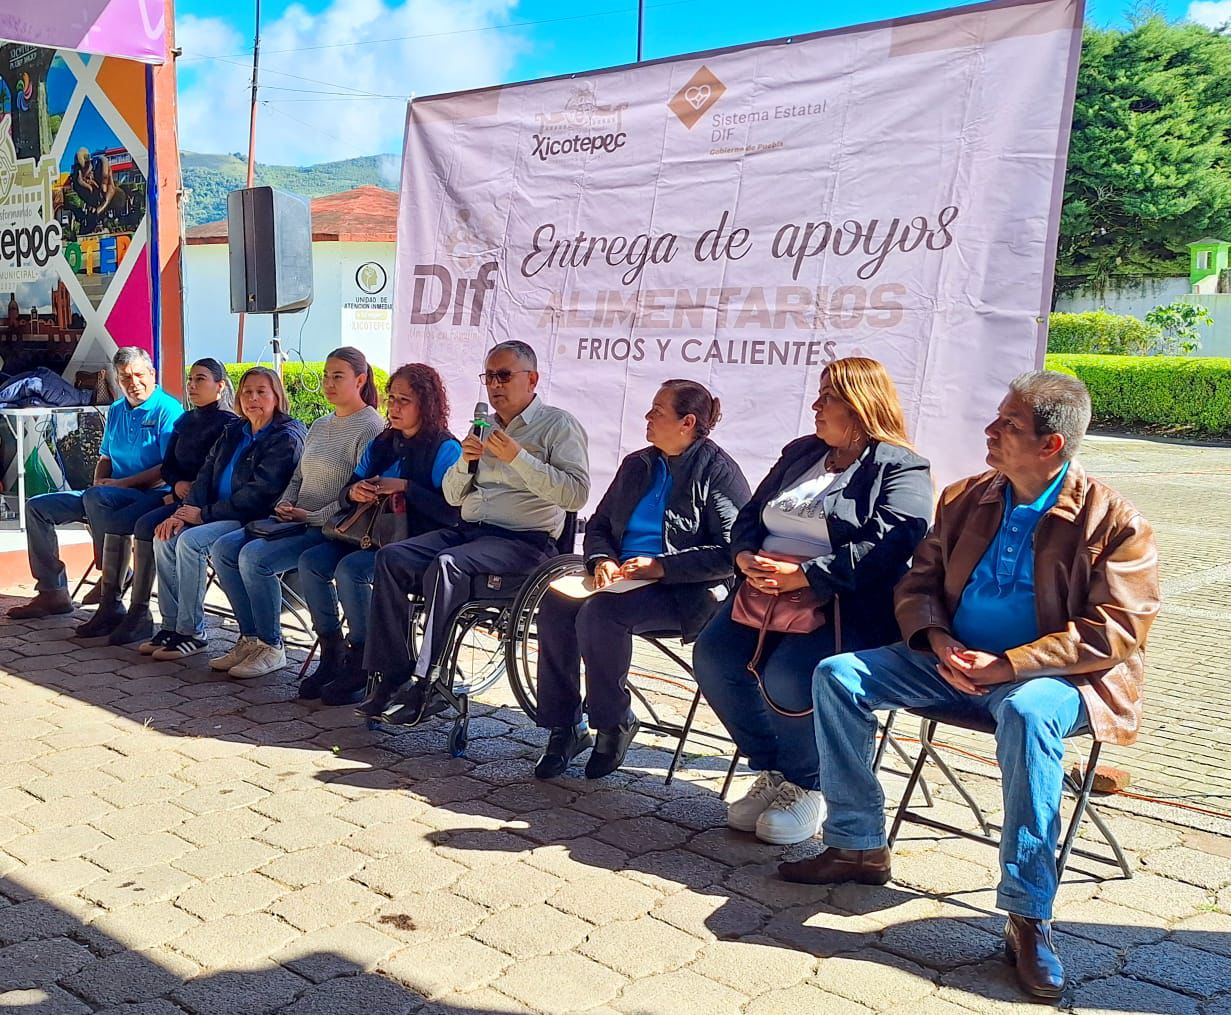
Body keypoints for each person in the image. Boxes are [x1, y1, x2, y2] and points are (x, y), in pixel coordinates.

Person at [779, 371, 1160, 1000]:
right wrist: (935, 638)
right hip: (950, 661)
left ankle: (1028, 915)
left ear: (1050, 445)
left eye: (1009, 424)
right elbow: (918, 584)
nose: (990, 430)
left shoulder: (1115, 522)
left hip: (1053, 678)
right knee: (838, 675)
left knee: (1029, 716)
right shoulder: (965, 498)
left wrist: (1009, 664)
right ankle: (857, 845)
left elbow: (1117, 630)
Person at [693, 357, 933, 846]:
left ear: (859, 405)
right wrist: (744, 556)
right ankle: (776, 769)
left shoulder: (901, 466)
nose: (815, 406)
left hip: (844, 606)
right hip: (763, 597)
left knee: (788, 675)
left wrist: (805, 576)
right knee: (714, 657)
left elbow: (890, 545)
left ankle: (810, 783)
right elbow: (751, 514)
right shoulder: (802, 452)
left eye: (828, 398)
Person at [359, 340, 590, 720]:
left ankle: (429, 681)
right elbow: (453, 496)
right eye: (489, 376)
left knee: (448, 564)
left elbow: (576, 494)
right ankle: (391, 675)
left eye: (504, 376)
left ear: (532, 379)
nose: (495, 385)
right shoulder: (484, 426)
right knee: (392, 557)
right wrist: (466, 463)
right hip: (470, 531)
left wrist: (518, 458)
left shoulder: (557, 426)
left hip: (523, 541)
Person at [534, 380, 750, 780]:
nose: (647, 417)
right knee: (555, 605)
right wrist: (601, 559)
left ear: (687, 422)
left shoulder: (717, 471)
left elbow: (731, 553)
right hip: (622, 578)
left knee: (601, 613)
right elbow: (599, 525)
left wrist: (662, 567)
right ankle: (565, 728)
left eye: (657, 411)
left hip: (684, 591)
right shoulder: (638, 464)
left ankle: (613, 722)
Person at [208, 348, 385, 679]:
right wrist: (285, 503)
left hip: (330, 528)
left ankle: (271, 645)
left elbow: (356, 495)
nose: (328, 383)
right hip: (292, 520)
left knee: (255, 559)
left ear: (360, 380)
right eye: (326, 376)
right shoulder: (320, 424)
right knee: (223, 549)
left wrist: (310, 517)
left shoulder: (371, 427)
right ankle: (250, 638)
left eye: (338, 376)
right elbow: (299, 476)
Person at [296, 363, 462, 704]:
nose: (394, 407)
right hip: (365, 533)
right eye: (392, 398)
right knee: (311, 562)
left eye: (404, 400)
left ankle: (365, 660)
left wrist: (406, 488)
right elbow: (347, 489)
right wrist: (355, 492)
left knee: (351, 571)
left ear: (426, 404)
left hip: (412, 543)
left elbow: (452, 513)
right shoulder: (383, 442)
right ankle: (332, 650)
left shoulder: (445, 448)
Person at [8, 347, 182, 622]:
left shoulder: (168, 410)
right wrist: (98, 482)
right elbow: (105, 457)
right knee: (37, 508)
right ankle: (53, 592)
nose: (133, 383)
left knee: (97, 498)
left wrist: (118, 485)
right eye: (125, 377)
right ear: (117, 380)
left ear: (152, 374)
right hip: (109, 493)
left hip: (151, 495)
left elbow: (167, 469)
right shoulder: (116, 410)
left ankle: (113, 575)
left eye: (139, 375)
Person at [142, 367, 305, 661]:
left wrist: (203, 515)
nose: (253, 398)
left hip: (252, 517)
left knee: (190, 542)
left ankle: (191, 632)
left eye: (261, 392)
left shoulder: (286, 436)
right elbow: (205, 475)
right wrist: (182, 513)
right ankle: (171, 625)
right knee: (165, 536)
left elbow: (260, 494)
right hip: (214, 512)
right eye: (247, 392)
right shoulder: (235, 430)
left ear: (277, 397)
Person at [103, 359, 237, 645]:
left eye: (200, 379)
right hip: (179, 495)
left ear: (220, 385)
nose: (192, 385)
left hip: (205, 503)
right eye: (190, 379)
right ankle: (139, 611)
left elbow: (216, 471)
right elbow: (169, 465)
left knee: (155, 530)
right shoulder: (186, 420)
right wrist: (176, 485)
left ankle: (162, 618)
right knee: (128, 523)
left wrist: (188, 495)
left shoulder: (229, 424)